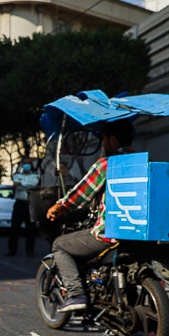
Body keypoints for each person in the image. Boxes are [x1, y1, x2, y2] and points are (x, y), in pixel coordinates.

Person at [45, 119, 136, 312]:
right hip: (138, 234)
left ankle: (76, 294)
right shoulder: (144, 163)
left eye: (103, 140)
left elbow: (81, 194)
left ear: (112, 140)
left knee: (59, 245)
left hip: (110, 233)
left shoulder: (107, 165)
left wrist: (59, 206)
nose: (103, 145)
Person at [6, 157, 39, 257]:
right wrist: (27, 186)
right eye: (25, 163)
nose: (27, 165)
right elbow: (19, 186)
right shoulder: (17, 175)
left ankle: (30, 251)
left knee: (31, 228)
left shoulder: (35, 175)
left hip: (30, 203)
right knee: (14, 227)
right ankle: (12, 250)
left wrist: (21, 184)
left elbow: (34, 185)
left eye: (28, 163)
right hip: (19, 203)